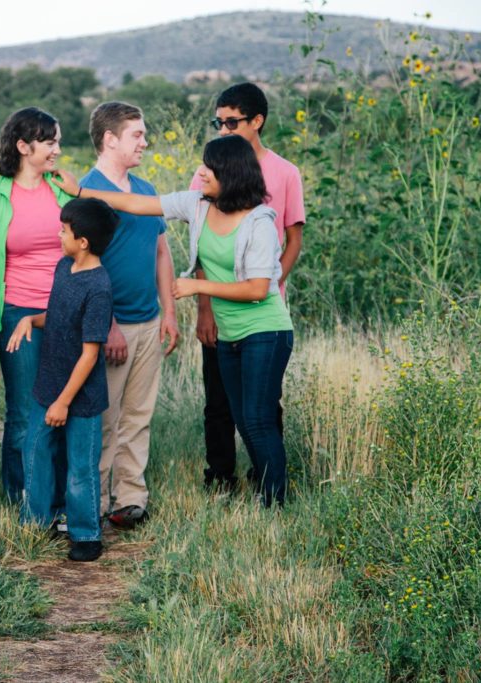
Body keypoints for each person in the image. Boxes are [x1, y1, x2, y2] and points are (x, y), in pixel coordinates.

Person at [58, 135, 294, 507]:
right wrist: (83, 191)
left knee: (257, 418)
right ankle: (266, 492)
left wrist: (196, 285)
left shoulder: (259, 221)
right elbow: (138, 203)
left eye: (209, 167)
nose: (200, 172)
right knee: (243, 419)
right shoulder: (198, 204)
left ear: (230, 173)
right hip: (230, 333)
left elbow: (258, 289)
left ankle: (275, 502)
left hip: (266, 331)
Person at [190, 83, 305, 492]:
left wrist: (270, 283)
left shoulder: (285, 173)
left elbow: (293, 238)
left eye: (232, 122)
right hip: (218, 308)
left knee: (262, 407)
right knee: (219, 402)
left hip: (262, 307)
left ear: (257, 121)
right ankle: (221, 477)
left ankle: (268, 481)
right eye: (218, 121)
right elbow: (201, 244)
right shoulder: (208, 172)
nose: (223, 129)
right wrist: (204, 307)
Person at [82, 102, 179, 530]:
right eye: (136, 134)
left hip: (148, 321)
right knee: (105, 418)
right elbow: (86, 265)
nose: (144, 141)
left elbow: (162, 251)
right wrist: (108, 325)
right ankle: (96, 501)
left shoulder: (144, 189)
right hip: (110, 326)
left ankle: (130, 497)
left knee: (139, 415)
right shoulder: (88, 192)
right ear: (109, 139)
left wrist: (170, 313)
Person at [6, 198, 118, 561]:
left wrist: (64, 402)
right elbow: (57, 316)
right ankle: (37, 522)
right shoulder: (62, 267)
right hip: (48, 383)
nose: (58, 234)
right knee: (34, 450)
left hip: (80, 398)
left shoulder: (98, 287)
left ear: (82, 241)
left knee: (80, 466)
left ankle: (86, 534)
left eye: (64, 230)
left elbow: (90, 354)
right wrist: (30, 320)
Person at [0, 106, 74, 505]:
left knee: (64, 406)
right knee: (24, 410)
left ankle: (60, 499)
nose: (57, 150)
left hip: (65, 312)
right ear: (22, 145)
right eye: (50, 142)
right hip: (17, 312)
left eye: (58, 142)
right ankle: (21, 498)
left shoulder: (63, 189)